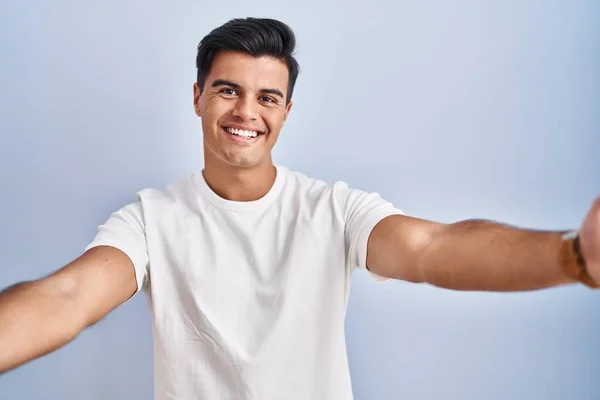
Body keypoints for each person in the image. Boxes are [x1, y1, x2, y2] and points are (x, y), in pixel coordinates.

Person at [0, 16, 598, 400]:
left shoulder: (334, 210)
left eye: (267, 97)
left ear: (285, 112)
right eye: (227, 90)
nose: (245, 112)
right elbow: (69, 297)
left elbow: (429, 249)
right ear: (198, 97)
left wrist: (574, 257)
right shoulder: (150, 220)